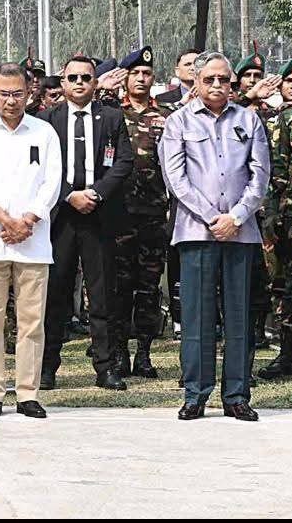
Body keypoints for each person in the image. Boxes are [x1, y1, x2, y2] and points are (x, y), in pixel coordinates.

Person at [160, 51, 269, 421]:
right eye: (210, 79)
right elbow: (176, 179)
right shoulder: (178, 122)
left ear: (233, 83)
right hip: (196, 231)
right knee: (197, 317)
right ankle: (196, 394)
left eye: (225, 79)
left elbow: (260, 176)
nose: (218, 86)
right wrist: (212, 218)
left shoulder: (249, 120)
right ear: (195, 82)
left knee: (239, 316)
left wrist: (236, 216)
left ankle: (237, 394)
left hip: (241, 232)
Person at [0, 63, 62, 419]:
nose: (11, 100)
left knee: (32, 321)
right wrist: (5, 219)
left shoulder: (44, 132)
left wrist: (28, 220)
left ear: (29, 93)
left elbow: (52, 183)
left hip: (34, 240)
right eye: (3, 93)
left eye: (17, 93)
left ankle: (27, 392)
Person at [37, 56, 134, 391]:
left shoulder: (111, 117)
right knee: (55, 294)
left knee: (102, 293)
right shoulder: (46, 120)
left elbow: (124, 161)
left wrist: (96, 193)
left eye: (86, 78)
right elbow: (40, 168)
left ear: (96, 83)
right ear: (62, 83)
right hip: (60, 218)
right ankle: (47, 367)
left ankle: (106, 367)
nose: (79, 83)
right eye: (73, 77)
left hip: (98, 215)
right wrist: (68, 195)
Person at [110, 46, 175, 380]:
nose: (141, 78)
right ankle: (119, 354)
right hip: (119, 215)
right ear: (125, 77)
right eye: (135, 73)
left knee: (149, 288)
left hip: (152, 212)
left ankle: (145, 354)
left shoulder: (166, 115)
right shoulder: (110, 113)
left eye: (146, 73)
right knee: (120, 288)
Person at [260, 52, 292, 380]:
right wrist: (272, 214)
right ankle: (289, 357)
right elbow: (274, 169)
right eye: (289, 80)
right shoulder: (283, 120)